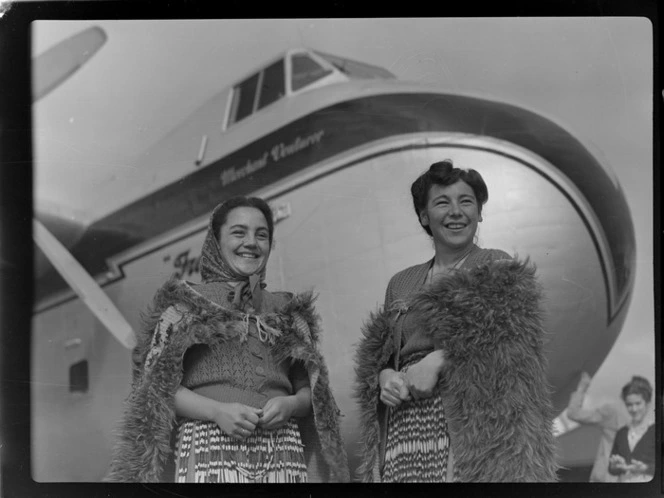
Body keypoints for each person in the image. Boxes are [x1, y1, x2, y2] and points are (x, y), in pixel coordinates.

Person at [105, 196, 349, 483]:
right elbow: (156, 389)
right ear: (215, 243)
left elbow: (311, 392)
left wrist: (292, 405)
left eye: (262, 235)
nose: (251, 242)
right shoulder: (184, 308)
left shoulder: (286, 311)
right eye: (238, 232)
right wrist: (217, 411)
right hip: (211, 452)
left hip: (284, 454)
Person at [353, 160, 558, 482]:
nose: (456, 211)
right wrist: (386, 377)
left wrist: (439, 360)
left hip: (472, 423)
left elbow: (513, 343)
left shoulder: (495, 264)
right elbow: (385, 353)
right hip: (406, 425)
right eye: (442, 202)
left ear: (479, 212)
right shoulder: (402, 282)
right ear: (424, 216)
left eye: (466, 201)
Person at [565, 372, 629, 482]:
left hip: (606, 477)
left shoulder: (613, 411)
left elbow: (573, 413)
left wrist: (582, 388)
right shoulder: (646, 419)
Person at [608, 376, 655, 482]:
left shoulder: (657, 431)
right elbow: (611, 470)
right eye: (629, 404)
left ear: (648, 403)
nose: (634, 409)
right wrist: (615, 466)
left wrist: (646, 468)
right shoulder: (621, 432)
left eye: (638, 403)